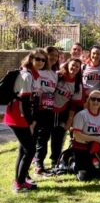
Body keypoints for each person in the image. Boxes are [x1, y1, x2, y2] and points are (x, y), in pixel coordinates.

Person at [4, 49, 47, 192]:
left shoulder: (34, 75)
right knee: (30, 149)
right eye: (38, 59)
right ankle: (19, 183)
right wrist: (30, 122)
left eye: (43, 60)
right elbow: (24, 102)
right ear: (31, 59)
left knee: (24, 150)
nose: (41, 62)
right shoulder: (27, 75)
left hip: (21, 116)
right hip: (18, 117)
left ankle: (19, 180)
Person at [71, 90, 100, 181]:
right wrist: (95, 138)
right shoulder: (81, 115)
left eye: (99, 100)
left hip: (97, 150)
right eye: (93, 99)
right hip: (82, 149)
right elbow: (77, 135)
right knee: (85, 177)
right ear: (88, 100)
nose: (96, 102)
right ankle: (72, 164)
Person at [52, 58, 83, 168]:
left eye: (77, 67)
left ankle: (55, 161)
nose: (74, 68)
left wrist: (70, 120)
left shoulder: (77, 85)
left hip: (63, 112)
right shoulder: (57, 76)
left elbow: (74, 104)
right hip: (48, 110)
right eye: (73, 65)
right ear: (67, 64)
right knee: (44, 136)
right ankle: (38, 161)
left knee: (58, 136)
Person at [33, 46, 60, 174]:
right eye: (51, 55)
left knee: (44, 137)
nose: (54, 58)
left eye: (56, 55)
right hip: (35, 109)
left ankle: (39, 164)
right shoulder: (36, 71)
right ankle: (37, 164)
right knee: (35, 137)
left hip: (48, 110)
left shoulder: (54, 74)